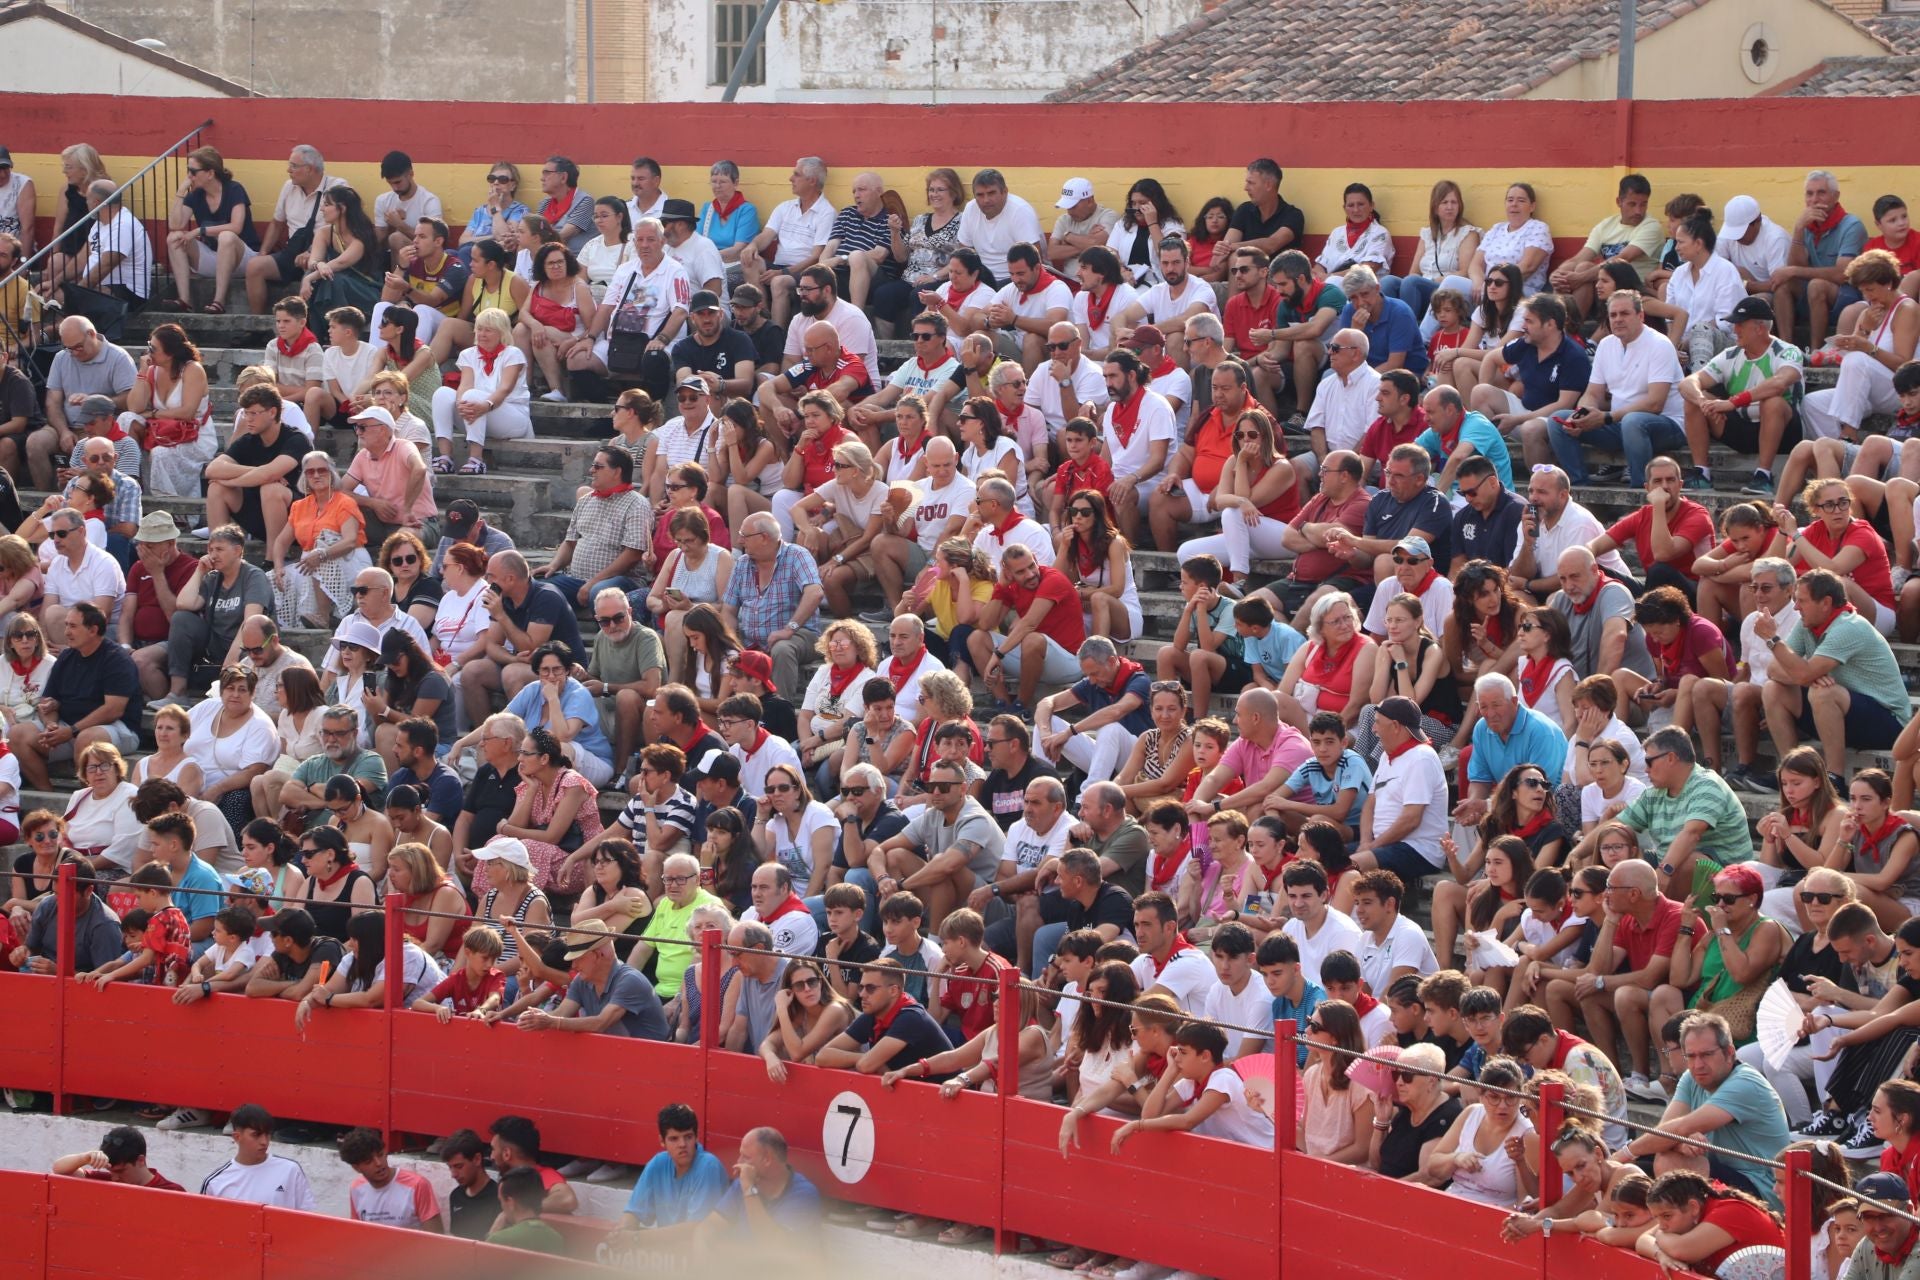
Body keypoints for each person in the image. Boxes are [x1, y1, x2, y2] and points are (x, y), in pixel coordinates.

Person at [1761, 568, 1908, 777]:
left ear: (1826, 603)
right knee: (1773, 690)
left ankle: (1835, 778)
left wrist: (1773, 640)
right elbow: (1774, 669)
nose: (1796, 607)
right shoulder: (1808, 623)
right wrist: (1809, 676)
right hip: (1844, 713)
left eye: (1802, 601)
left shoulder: (1849, 627)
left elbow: (1802, 674)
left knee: (1823, 693)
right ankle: (1793, 774)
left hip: (1888, 721)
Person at [10, 603, 141, 793]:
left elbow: (113, 709)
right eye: (66, 625)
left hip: (118, 728)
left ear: (93, 630)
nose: (66, 632)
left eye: (72, 626)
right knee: (17, 735)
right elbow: (48, 700)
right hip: (70, 729)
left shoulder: (117, 659)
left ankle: (88, 799)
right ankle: (48, 795)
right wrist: (51, 725)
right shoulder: (67, 657)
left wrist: (72, 731)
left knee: (87, 739)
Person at [1351, 696, 1450, 890]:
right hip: (1384, 845)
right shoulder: (1386, 756)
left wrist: (1372, 847)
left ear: (1395, 726)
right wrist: (1365, 842)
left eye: (1377, 723)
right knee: (1323, 857)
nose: (1374, 729)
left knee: (1350, 868)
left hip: (1418, 849)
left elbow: (1411, 820)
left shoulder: (1422, 758)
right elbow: (1369, 805)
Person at [612, 1103, 730, 1239]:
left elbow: (696, 1230)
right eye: (674, 1138)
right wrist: (621, 1231)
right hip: (671, 1253)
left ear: (697, 1137)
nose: (682, 1145)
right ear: (662, 1141)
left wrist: (637, 1239)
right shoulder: (657, 1163)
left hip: (708, 1255)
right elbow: (633, 1213)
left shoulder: (709, 1166)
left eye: (688, 1137)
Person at [199, 1104, 317, 1211]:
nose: (264, 1142)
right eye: (256, 1135)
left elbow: (308, 1218)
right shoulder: (215, 1183)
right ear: (237, 1137)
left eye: (267, 1134)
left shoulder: (291, 1170)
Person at [52, 1125, 185, 1193]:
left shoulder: (172, 1191)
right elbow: (60, 1171)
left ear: (140, 1160)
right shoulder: (108, 1180)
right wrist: (85, 1157)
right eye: (111, 1172)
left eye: (121, 1171)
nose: (114, 1179)